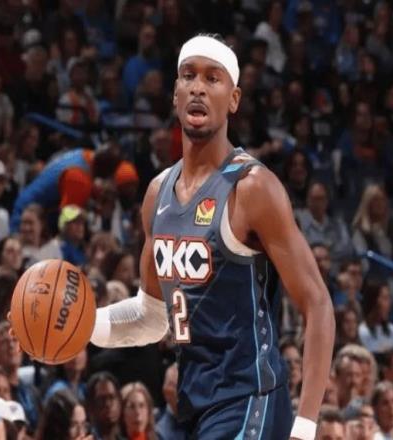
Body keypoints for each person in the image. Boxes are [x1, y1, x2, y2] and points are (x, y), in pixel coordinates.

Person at [89, 34, 335, 439]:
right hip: (195, 405)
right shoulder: (157, 194)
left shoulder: (252, 187)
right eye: (188, 76)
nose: (198, 87)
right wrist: (82, 325)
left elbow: (318, 303)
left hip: (250, 399)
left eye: (212, 78)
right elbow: (151, 318)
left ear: (234, 99)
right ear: (175, 94)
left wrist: (305, 426)